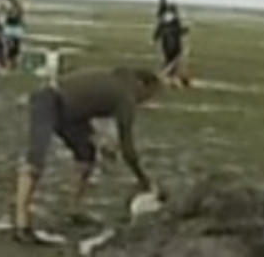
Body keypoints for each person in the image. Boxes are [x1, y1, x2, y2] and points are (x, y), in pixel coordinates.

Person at [13, 66, 162, 243]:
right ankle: (21, 224)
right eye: (149, 95)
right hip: (49, 101)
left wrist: (99, 140)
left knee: (86, 154)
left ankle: (73, 209)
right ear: (142, 85)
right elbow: (128, 147)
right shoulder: (126, 96)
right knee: (36, 158)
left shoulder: (114, 81)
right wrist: (144, 180)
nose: (146, 101)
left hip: (68, 111)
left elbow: (84, 106)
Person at [153, 0, 190, 88]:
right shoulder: (174, 21)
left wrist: (155, 37)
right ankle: (174, 79)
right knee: (175, 61)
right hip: (174, 44)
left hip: (166, 44)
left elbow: (159, 30)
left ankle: (172, 78)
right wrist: (184, 30)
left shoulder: (163, 20)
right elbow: (179, 30)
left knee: (169, 61)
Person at [1, 0, 26, 71]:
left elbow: (15, 15)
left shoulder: (18, 5)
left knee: (14, 47)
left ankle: (13, 65)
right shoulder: (12, 5)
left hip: (15, 27)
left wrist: (9, 11)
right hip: (12, 27)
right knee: (10, 47)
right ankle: (11, 64)